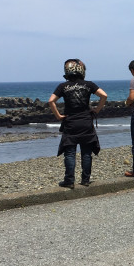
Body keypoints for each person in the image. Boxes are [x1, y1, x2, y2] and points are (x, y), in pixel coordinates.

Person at [48, 59, 107, 188]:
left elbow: (51, 101)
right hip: (86, 122)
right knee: (86, 153)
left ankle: (69, 181)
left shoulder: (63, 86)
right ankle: (85, 179)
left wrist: (58, 116)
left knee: (70, 153)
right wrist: (96, 110)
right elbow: (104, 95)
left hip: (70, 123)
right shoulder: (89, 84)